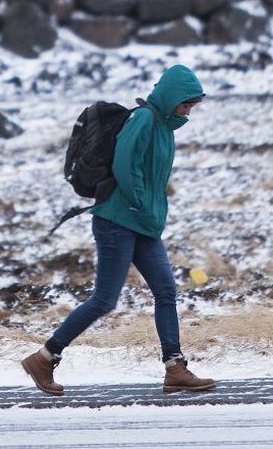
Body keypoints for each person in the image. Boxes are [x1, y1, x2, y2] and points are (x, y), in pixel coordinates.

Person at [22, 65, 215, 396]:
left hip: (143, 224)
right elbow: (126, 164)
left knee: (166, 290)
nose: (188, 111)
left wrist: (150, 211)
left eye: (191, 106)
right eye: (185, 104)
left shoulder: (165, 129)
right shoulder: (143, 120)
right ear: (171, 97)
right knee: (104, 299)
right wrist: (141, 202)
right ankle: (44, 357)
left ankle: (175, 368)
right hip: (117, 221)